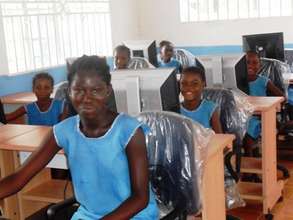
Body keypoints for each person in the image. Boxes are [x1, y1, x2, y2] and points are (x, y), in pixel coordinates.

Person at [0, 55, 158, 220]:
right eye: (79, 90)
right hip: (89, 216)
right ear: (69, 92)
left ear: (108, 91)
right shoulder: (63, 130)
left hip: (135, 215)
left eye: (95, 90)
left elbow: (140, 198)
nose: (87, 98)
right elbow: (19, 178)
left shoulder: (129, 131)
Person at [244, 50, 284, 157]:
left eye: (255, 62)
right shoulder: (238, 82)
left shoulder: (263, 81)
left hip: (260, 116)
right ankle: (244, 163)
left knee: (247, 137)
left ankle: (250, 169)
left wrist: (271, 104)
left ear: (260, 65)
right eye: (247, 62)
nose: (251, 65)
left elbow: (282, 96)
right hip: (244, 115)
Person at [179, 66, 222, 133]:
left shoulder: (210, 108)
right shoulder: (175, 111)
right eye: (184, 83)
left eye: (195, 83)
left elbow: (221, 139)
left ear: (203, 85)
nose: (189, 87)